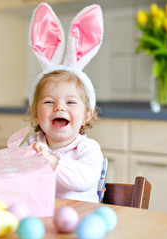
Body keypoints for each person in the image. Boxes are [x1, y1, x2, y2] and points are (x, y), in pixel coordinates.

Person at [25, 3, 105, 203]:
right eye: (49, 101)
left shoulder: (87, 148)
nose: (59, 107)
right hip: (40, 220)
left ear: (87, 115)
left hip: (79, 220)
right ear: (35, 114)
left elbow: (85, 180)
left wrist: (52, 161)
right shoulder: (33, 145)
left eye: (70, 102)